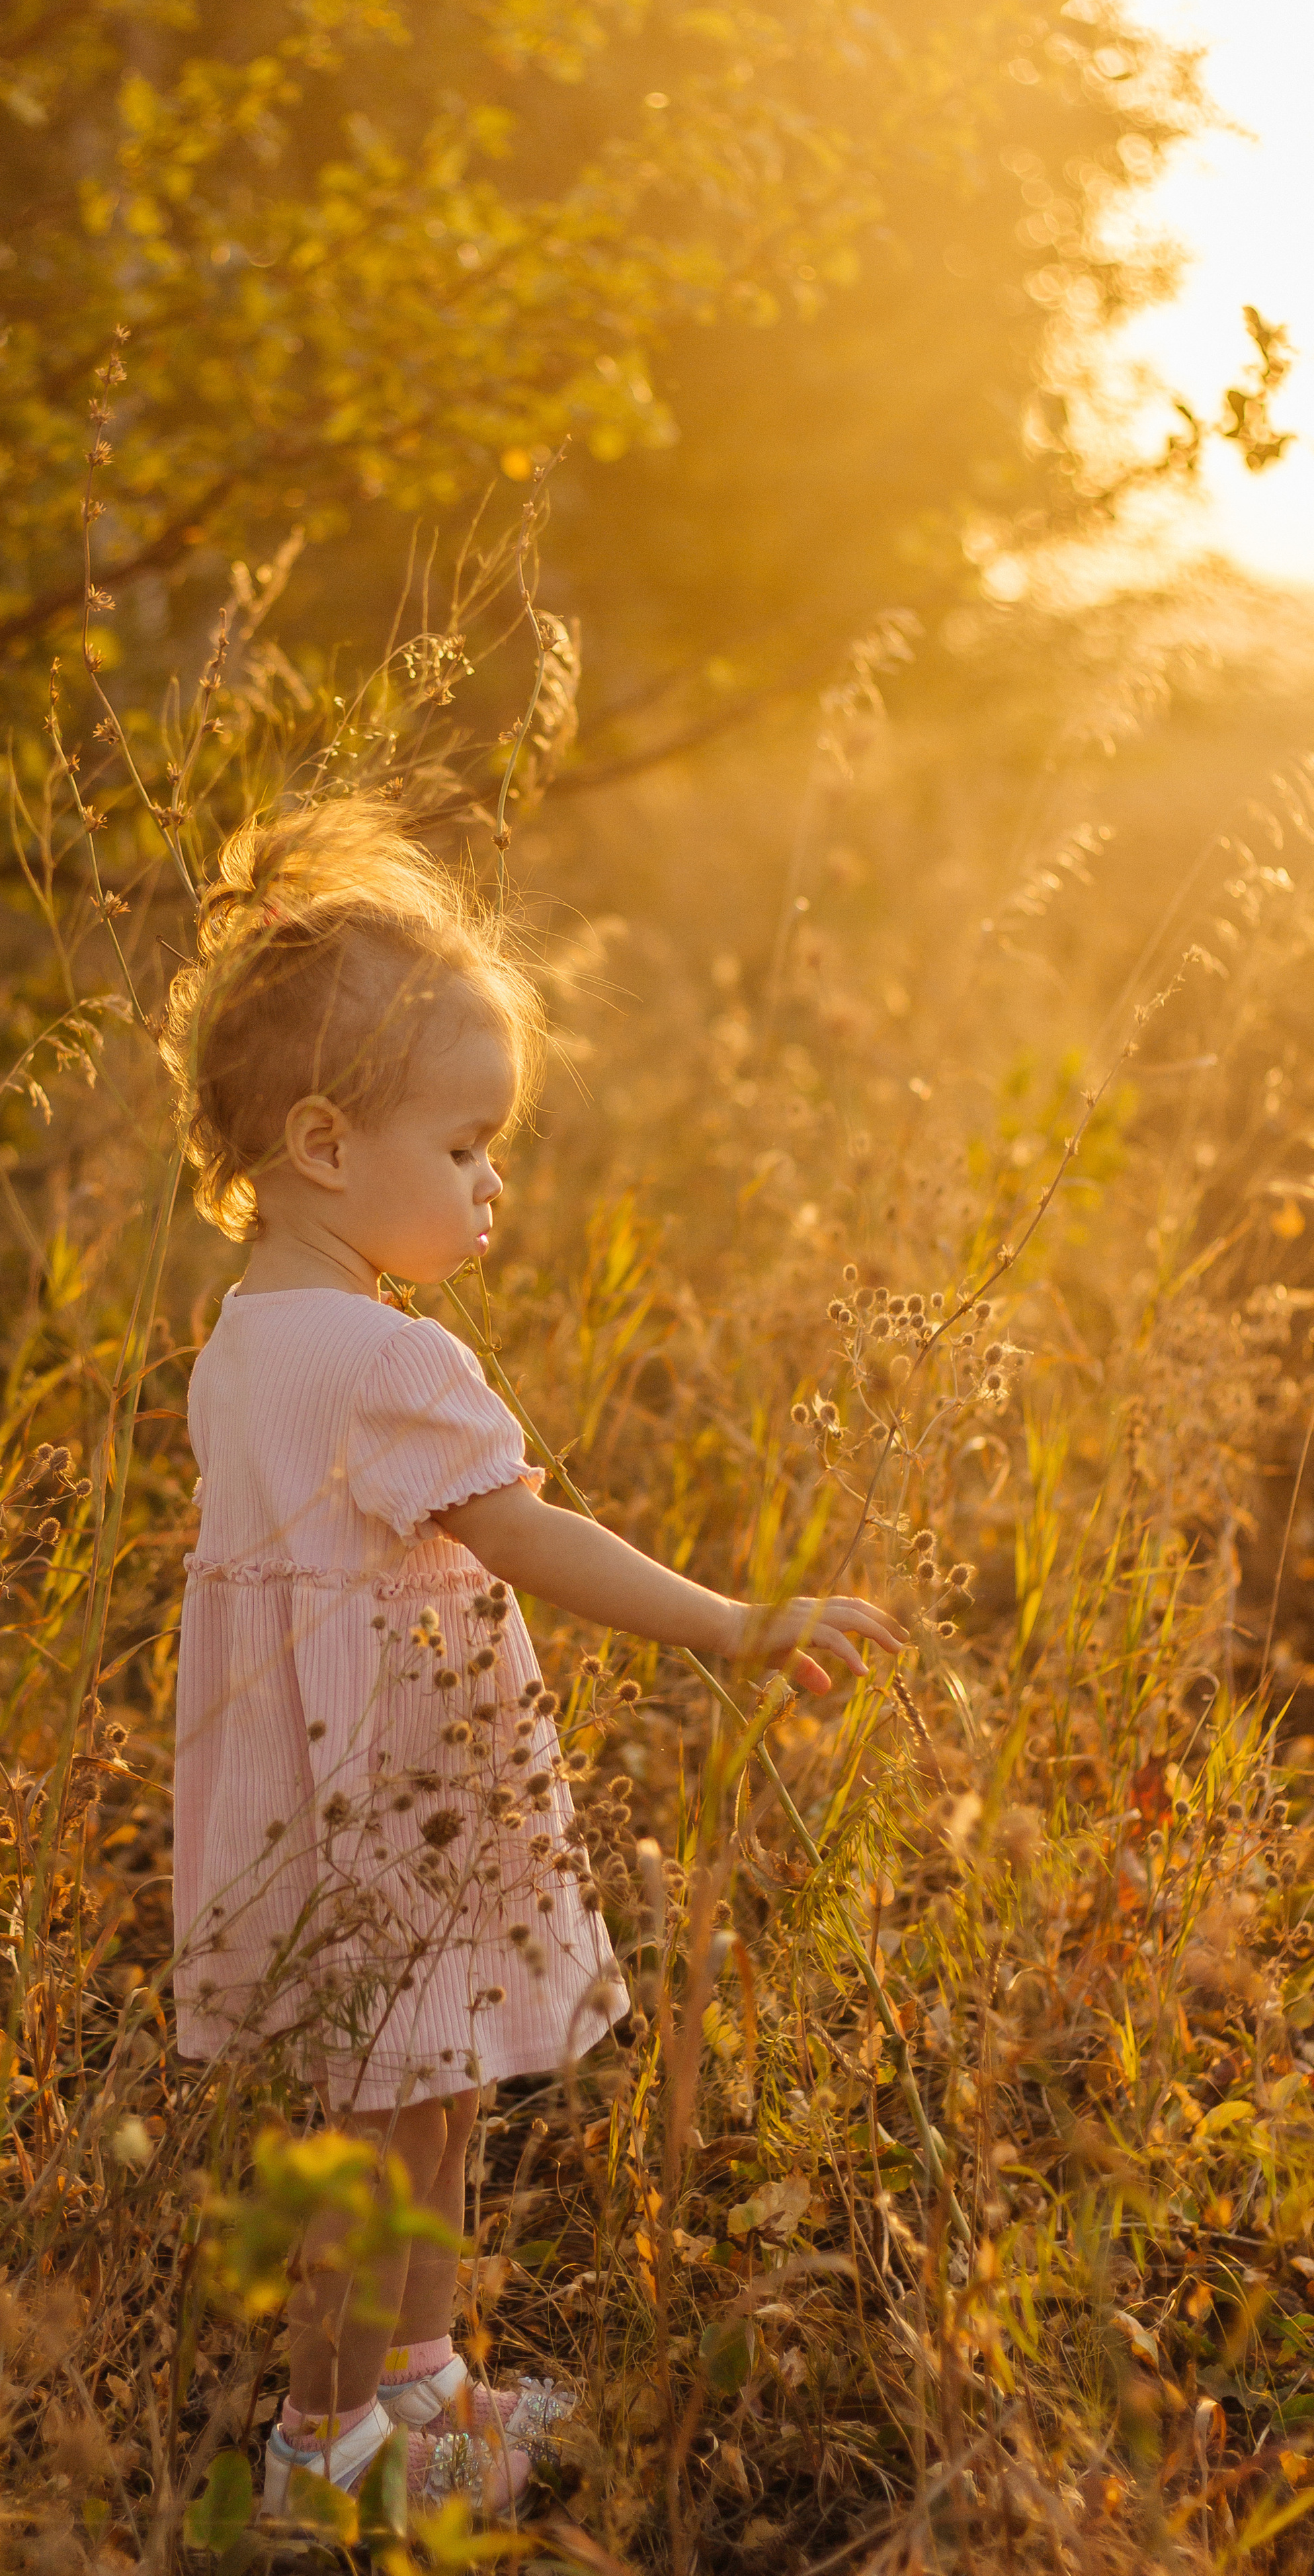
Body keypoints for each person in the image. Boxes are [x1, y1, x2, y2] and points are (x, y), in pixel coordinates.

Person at [163, 797, 907, 2513]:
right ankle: (323, 2455)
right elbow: (526, 1536)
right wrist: (730, 1621)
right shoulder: (385, 1363)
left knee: (419, 2102)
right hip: (405, 1810)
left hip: (317, 1811)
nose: (493, 1183)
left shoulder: (245, 1340)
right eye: (468, 1145)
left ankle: (416, 2399)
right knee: (388, 2137)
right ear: (329, 1146)